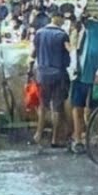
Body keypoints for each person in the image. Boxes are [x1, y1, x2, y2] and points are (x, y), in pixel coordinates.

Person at [31, 10, 71, 147]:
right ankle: (55, 139)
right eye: (62, 19)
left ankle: (38, 134)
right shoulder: (62, 35)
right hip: (58, 74)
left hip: (42, 75)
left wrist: (32, 70)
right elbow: (69, 51)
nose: (63, 21)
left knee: (43, 104)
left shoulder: (39, 33)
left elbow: (33, 54)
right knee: (57, 107)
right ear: (56, 18)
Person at [71, 17, 98, 154]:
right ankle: (90, 135)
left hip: (81, 75)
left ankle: (78, 139)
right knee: (93, 107)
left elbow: (74, 52)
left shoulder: (80, 30)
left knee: (78, 107)